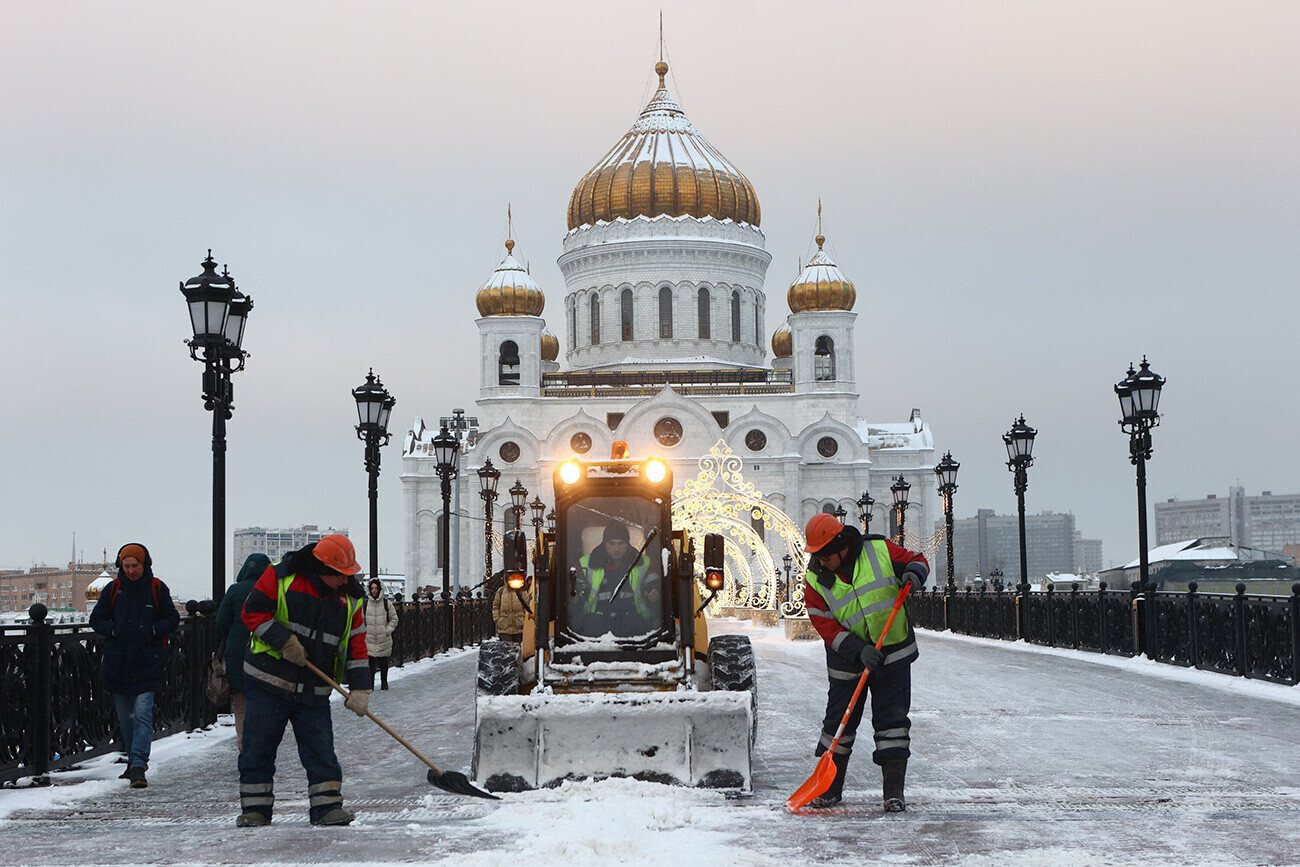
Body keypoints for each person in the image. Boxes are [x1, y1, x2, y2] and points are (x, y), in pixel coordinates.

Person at [236, 534, 370, 828]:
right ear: (321, 569)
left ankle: (327, 808)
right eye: (339, 576)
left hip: (314, 689)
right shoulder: (281, 577)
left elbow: (356, 644)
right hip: (268, 681)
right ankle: (255, 810)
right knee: (258, 748)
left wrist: (361, 688)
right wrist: (283, 641)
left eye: (349, 575)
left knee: (321, 751)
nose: (345, 581)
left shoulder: (350, 600)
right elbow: (253, 612)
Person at [801, 513, 928, 812]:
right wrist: (858, 650)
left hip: (892, 654)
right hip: (847, 662)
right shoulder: (815, 580)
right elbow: (824, 624)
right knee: (837, 725)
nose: (820, 561)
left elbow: (918, 559)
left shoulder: (879, 550)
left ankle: (893, 792)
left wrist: (913, 573)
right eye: (816, 555)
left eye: (825, 555)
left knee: (892, 723)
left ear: (841, 546)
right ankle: (830, 788)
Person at [89, 542, 180, 789]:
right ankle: (133, 761)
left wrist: (153, 630)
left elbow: (172, 618)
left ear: (144, 564)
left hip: (147, 662)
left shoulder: (156, 588)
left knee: (141, 713)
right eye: (127, 566)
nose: (131, 570)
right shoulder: (114, 589)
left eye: (135, 565)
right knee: (125, 717)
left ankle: (139, 763)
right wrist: (114, 629)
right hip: (119, 663)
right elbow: (96, 619)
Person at [215, 552, 272, 749]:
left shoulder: (235, 590)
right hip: (267, 652)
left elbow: (221, 621)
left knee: (241, 703)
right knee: (264, 700)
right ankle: (262, 743)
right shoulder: (272, 589)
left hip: (238, 653)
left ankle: (244, 744)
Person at [574, 523, 661, 634]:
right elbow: (574, 587)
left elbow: (654, 583)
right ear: (605, 543)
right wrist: (576, 595)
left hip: (633, 622)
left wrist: (654, 591)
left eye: (621, 543)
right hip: (596, 623)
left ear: (627, 543)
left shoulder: (643, 563)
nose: (616, 548)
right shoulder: (584, 564)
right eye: (612, 543)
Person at [363, 579, 399, 690]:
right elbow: (360, 619)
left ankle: (384, 683)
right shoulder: (365, 603)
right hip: (369, 638)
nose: (374, 591)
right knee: (370, 664)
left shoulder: (386, 603)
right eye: (372, 588)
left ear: (380, 589)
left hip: (383, 638)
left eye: (376, 588)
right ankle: (370, 685)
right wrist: (365, 631)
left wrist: (387, 630)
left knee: (383, 663)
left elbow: (394, 619)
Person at [491, 571, 529, 644]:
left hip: (519, 625)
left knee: (518, 647)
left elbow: (527, 606)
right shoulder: (501, 591)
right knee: (506, 647)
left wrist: (524, 619)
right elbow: (496, 606)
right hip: (504, 625)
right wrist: (497, 619)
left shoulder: (522, 591)